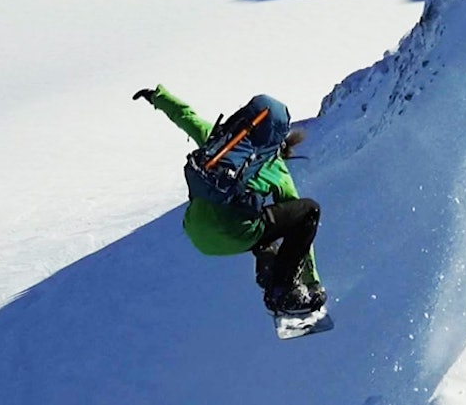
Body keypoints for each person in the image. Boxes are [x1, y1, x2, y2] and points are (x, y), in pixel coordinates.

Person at [133, 84, 327, 314]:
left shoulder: (219, 143)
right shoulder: (275, 168)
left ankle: (270, 270)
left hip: (196, 231)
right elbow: (301, 226)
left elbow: (186, 117)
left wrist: (158, 97)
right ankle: (282, 291)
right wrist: (312, 282)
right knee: (307, 212)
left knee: (258, 221)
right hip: (234, 235)